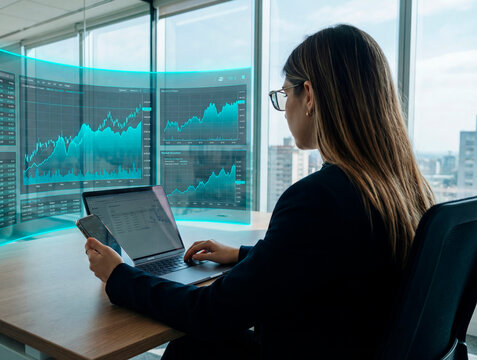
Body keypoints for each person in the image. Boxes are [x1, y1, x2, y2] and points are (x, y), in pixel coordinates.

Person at [84, 24, 434, 359]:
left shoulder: (319, 198)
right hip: (351, 347)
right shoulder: (404, 191)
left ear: (308, 95)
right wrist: (243, 255)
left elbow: (211, 314)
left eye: (285, 94)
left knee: (191, 346)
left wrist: (119, 275)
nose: (284, 111)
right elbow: (329, 262)